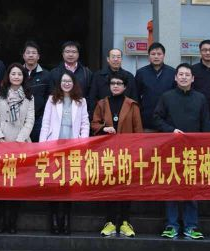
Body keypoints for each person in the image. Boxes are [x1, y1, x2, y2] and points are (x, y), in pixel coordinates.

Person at [155, 63, 210, 240]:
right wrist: (171, 130)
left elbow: (206, 125)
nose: (184, 77)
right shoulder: (167, 97)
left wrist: (204, 147)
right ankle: (171, 225)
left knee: (191, 189)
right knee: (171, 187)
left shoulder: (201, 98)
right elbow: (156, 118)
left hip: (193, 152)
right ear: (175, 77)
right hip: (171, 150)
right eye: (181, 74)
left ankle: (191, 226)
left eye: (187, 75)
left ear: (193, 78)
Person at [90, 70, 141, 238]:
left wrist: (137, 152)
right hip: (108, 152)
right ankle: (110, 222)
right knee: (109, 185)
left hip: (127, 152)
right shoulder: (102, 103)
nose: (116, 86)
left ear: (125, 87)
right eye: (113, 83)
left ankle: (125, 222)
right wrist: (104, 128)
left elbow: (138, 130)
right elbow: (94, 123)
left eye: (119, 84)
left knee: (126, 186)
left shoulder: (132, 105)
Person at [40, 72, 89, 235]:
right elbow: (45, 123)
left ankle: (66, 219)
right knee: (53, 184)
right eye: (63, 81)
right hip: (54, 146)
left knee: (68, 184)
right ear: (59, 83)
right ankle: (54, 219)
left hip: (72, 147)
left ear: (74, 83)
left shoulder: (81, 101)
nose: (66, 83)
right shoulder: (52, 99)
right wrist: (42, 145)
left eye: (69, 81)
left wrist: (82, 141)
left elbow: (85, 123)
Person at [0, 63, 35, 234]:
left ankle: (13, 221)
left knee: (17, 184)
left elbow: (30, 120)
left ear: (24, 77)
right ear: (8, 76)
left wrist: (19, 140)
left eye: (19, 74)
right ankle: (1, 220)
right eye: (13, 74)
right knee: (0, 184)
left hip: (21, 143)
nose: (16, 77)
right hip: (0, 142)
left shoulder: (29, 96)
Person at [134, 42, 176, 132]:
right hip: (147, 119)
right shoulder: (141, 73)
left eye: (159, 54)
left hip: (167, 120)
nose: (156, 56)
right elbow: (136, 96)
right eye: (153, 54)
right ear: (148, 56)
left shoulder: (172, 72)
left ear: (164, 55)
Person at [87, 48, 137, 115]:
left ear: (121, 59)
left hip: (124, 115)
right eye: (113, 57)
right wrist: (95, 115)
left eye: (118, 57)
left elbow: (134, 98)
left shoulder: (129, 76)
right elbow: (92, 98)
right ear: (108, 59)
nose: (116, 59)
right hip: (103, 114)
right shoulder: (98, 76)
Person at [22, 41, 51, 142]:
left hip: (39, 119)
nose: (31, 55)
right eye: (28, 52)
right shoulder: (17, 73)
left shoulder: (46, 75)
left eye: (34, 53)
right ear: (24, 56)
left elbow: (49, 97)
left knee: (37, 146)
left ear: (38, 56)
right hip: (19, 119)